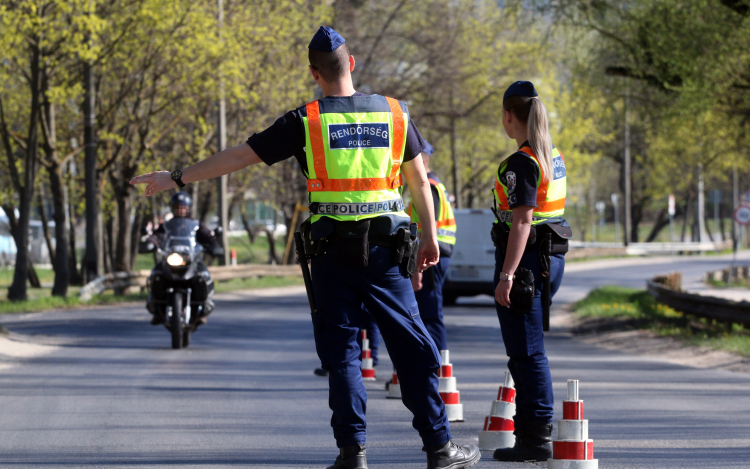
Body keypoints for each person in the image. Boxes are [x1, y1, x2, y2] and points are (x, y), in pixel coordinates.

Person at [130, 26, 479, 469]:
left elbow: (238, 156)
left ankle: (352, 453)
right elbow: (419, 183)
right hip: (386, 255)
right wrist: (429, 236)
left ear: (315, 73)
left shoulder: (306, 121)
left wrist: (175, 178)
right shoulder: (394, 113)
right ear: (352, 64)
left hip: (331, 255)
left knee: (343, 354)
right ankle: (439, 449)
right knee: (411, 349)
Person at [490, 81, 568, 463]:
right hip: (549, 259)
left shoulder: (522, 162)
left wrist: (507, 276)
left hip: (525, 265)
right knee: (527, 350)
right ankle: (530, 432)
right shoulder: (551, 154)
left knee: (527, 353)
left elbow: (522, 221)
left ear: (509, 115)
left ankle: (535, 437)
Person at [145, 191, 224, 325]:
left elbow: (208, 237)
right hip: (171, 257)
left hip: (191, 259)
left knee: (202, 275)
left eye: (183, 207)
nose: (180, 210)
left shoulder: (196, 224)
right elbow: (157, 236)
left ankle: (203, 306)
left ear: (188, 208)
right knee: (157, 274)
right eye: (177, 207)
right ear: (172, 208)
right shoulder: (167, 225)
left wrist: (214, 246)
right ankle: (158, 308)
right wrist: (150, 242)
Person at [407, 141, 456, 351]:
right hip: (434, 255)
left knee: (430, 314)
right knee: (428, 312)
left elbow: (428, 230)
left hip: (430, 258)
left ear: (422, 160)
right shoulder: (434, 184)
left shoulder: (429, 186)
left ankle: (437, 362)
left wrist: (417, 268)